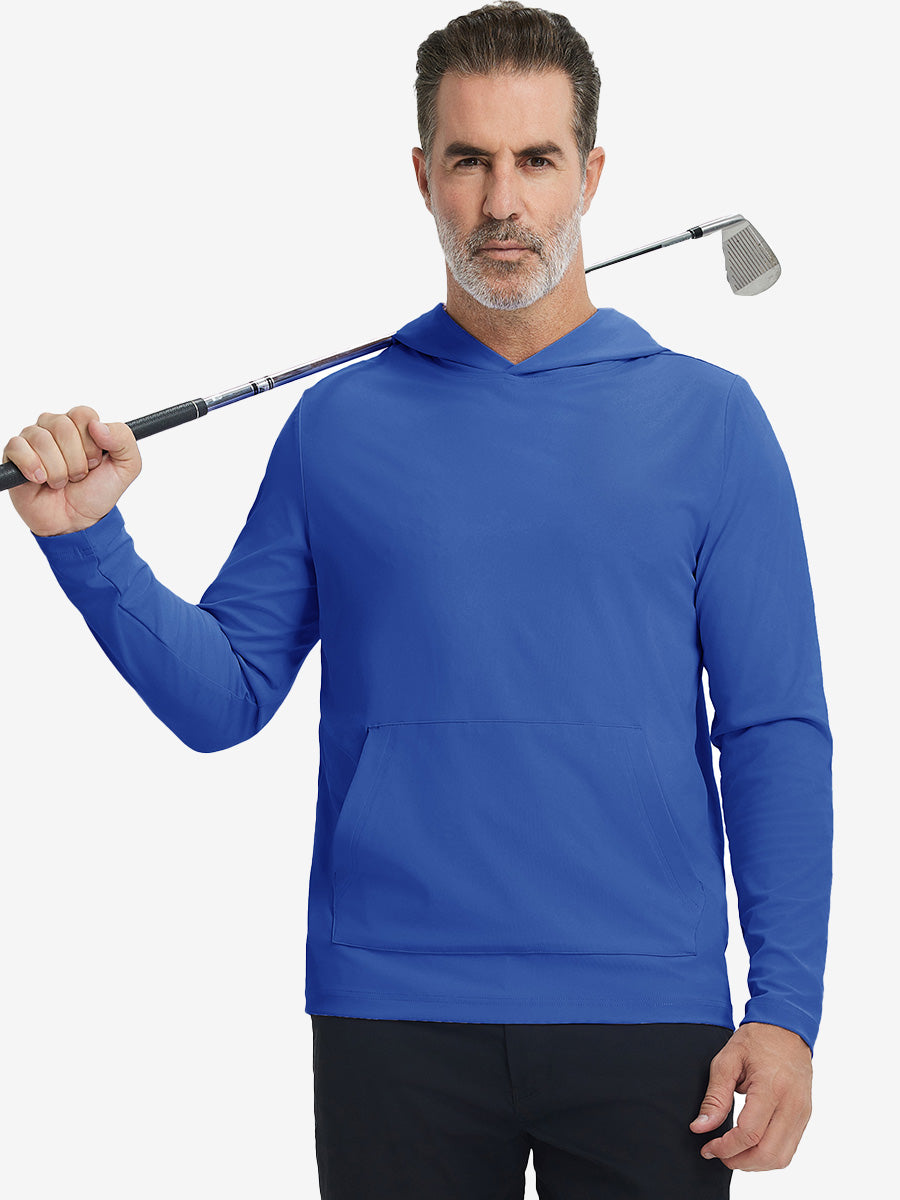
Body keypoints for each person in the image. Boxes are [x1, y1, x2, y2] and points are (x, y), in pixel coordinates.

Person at [3, 3, 832, 1197]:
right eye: (469, 161)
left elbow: (772, 732)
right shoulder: (338, 424)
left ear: (591, 175)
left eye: (536, 159)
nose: (503, 202)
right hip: (392, 1009)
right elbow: (223, 699)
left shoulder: (712, 422)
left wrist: (788, 1011)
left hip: (648, 1009)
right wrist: (90, 542)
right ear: (422, 176)